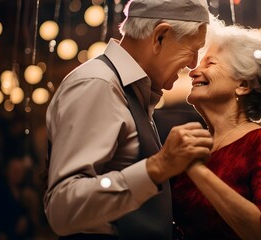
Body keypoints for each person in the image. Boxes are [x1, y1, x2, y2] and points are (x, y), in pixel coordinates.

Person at [43, 0, 213, 239]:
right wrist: (158, 166)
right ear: (160, 37)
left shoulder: (131, 90)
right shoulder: (98, 85)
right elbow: (63, 207)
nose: (193, 64)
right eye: (193, 49)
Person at [172, 22, 261, 240]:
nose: (193, 72)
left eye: (210, 63)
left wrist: (196, 170)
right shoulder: (195, 144)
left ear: (243, 85)